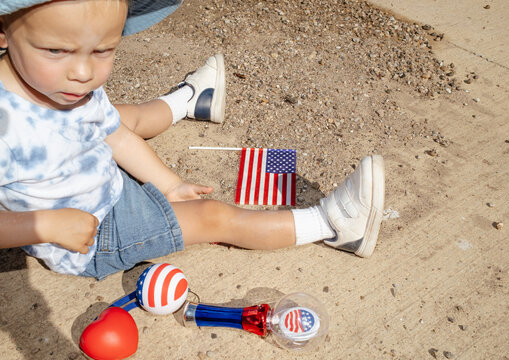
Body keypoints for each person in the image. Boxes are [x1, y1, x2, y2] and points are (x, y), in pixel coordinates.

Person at [0, 0, 385, 281]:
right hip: (94, 235)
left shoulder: (62, 85)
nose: (83, 73)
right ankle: (332, 226)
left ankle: (189, 99)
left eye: (103, 51)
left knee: (124, 116)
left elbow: (114, 133)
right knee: (213, 216)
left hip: (100, 179)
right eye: (56, 51)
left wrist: (169, 184)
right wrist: (45, 226)